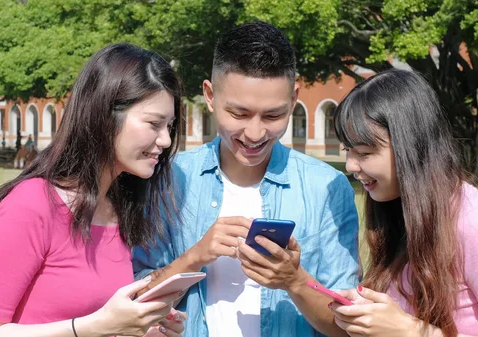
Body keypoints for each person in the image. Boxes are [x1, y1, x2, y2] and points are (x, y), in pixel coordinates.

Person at [133, 21, 360, 337]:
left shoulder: (327, 188)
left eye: (273, 116)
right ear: (210, 96)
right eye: (239, 114)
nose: (255, 133)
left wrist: (294, 280)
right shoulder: (170, 180)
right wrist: (195, 256)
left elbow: (347, 326)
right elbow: (135, 300)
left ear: (294, 99)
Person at [0, 43, 188, 337]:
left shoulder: (118, 207)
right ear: (105, 116)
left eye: (169, 126)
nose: (166, 140)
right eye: (154, 124)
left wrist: (139, 329)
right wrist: (97, 326)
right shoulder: (32, 204)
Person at [329, 69, 478, 336]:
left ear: (410, 145)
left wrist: (409, 331)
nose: (351, 165)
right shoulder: (398, 210)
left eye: (364, 153)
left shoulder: (474, 223)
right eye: (347, 150)